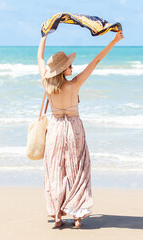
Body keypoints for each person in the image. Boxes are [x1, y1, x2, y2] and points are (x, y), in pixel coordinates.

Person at [37, 31, 124, 228]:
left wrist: (44, 35)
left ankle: (58, 217)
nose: (72, 66)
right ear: (62, 70)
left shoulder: (46, 82)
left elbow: (40, 57)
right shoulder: (75, 84)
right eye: (69, 65)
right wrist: (114, 41)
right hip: (74, 127)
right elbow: (97, 60)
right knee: (78, 170)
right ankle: (77, 216)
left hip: (56, 128)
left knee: (55, 171)